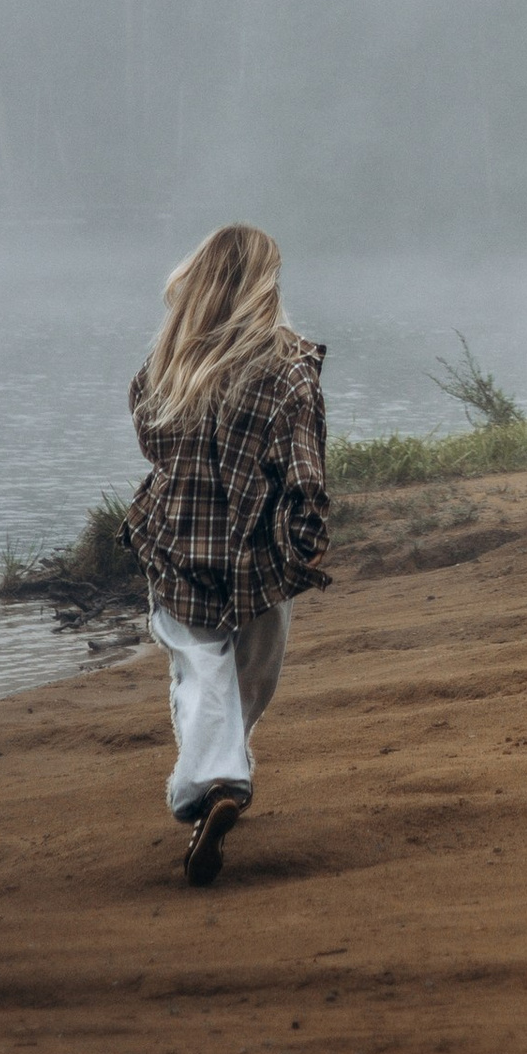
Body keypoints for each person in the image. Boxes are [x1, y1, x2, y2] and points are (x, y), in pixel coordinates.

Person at [124, 222, 332, 886]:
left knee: (200, 669)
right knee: (251, 677)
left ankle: (213, 784)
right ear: (265, 284)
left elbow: (151, 441)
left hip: (179, 543)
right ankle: (216, 785)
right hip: (258, 551)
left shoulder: (167, 363)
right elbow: (303, 463)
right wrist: (307, 531)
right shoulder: (287, 367)